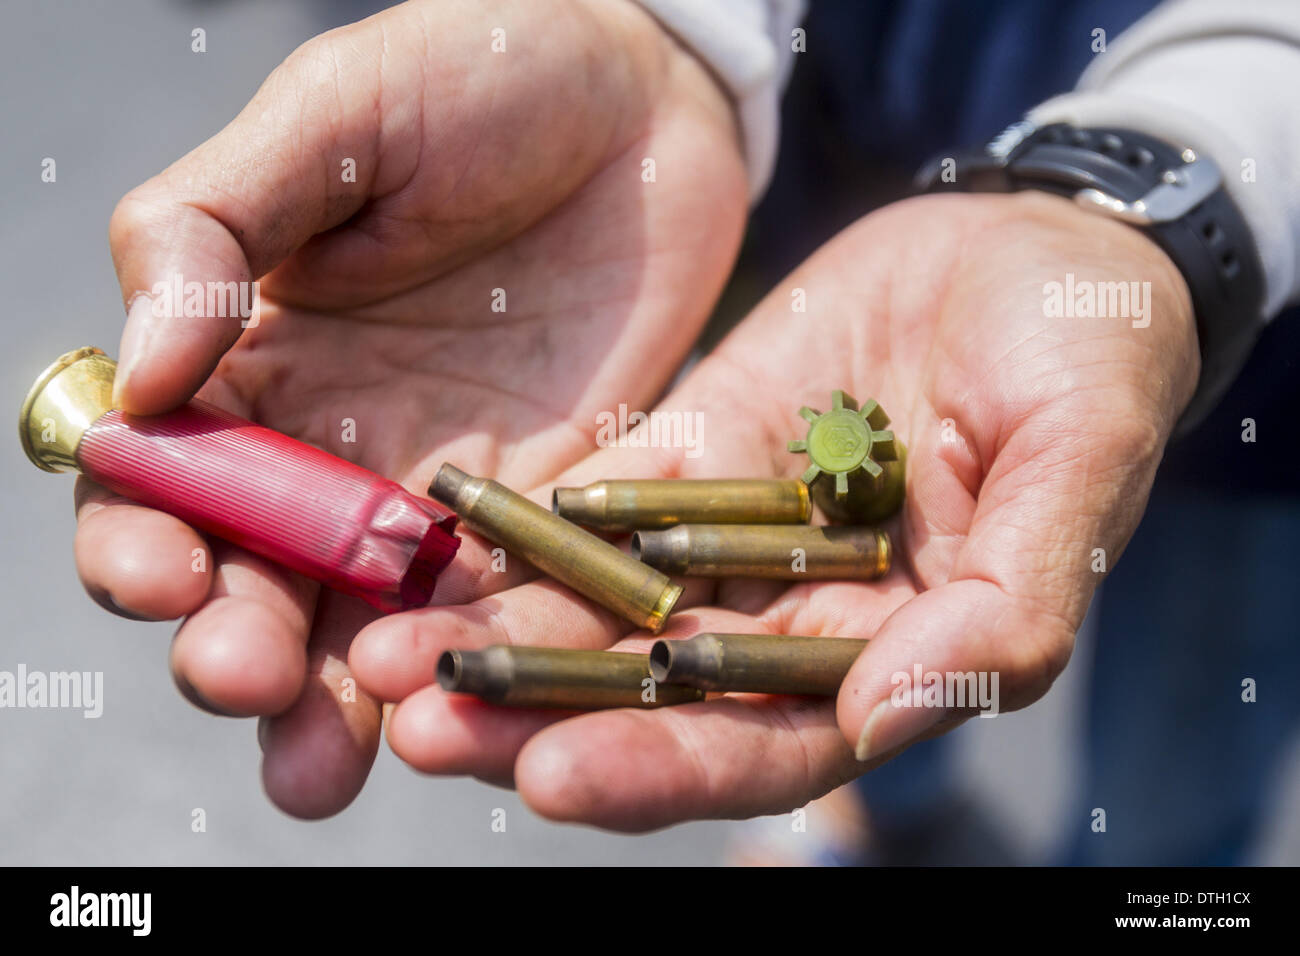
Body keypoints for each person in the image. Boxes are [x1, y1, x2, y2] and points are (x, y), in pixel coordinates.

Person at [75, 0, 1299, 861]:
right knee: (885, 695)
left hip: (1253, 384)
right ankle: (872, 818)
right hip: (835, 197)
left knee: (1172, 779)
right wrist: (667, 28)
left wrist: (1177, 188)